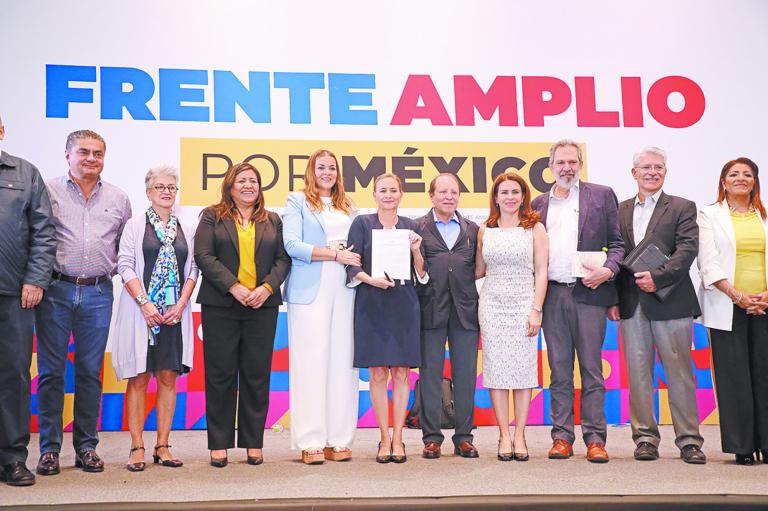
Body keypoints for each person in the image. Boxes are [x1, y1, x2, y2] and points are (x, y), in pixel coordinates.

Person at [36, 130, 132, 475]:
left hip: (98, 293)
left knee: (91, 373)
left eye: (98, 153)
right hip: (55, 291)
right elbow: (36, 237)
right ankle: (48, 450)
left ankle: (86, 447)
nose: (91, 158)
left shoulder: (119, 198)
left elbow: (125, 247)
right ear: (67, 155)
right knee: (50, 373)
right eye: (84, 152)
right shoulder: (47, 191)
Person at [609, 147, 706, 464]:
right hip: (632, 304)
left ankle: (690, 441)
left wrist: (659, 278)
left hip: (672, 302)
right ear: (634, 173)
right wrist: (612, 299)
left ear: (665, 171)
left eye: (659, 167)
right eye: (646, 167)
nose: (653, 172)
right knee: (638, 375)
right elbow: (613, 253)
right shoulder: (619, 210)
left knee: (679, 374)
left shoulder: (682, 207)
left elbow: (687, 249)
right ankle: (645, 438)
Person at [531, 139, 624, 463]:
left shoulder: (601, 195)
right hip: (552, 293)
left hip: (591, 293)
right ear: (551, 166)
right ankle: (561, 437)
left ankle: (596, 439)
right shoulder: (538, 204)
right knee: (558, 371)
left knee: (592, 370)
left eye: (572, 162)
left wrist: (608, 271)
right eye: (561, 163)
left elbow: (617, 243)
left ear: (580, 164)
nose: (566, 168)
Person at [194, 162, 290, 467]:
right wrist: (234, 287)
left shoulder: (273, 220)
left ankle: (253, 442)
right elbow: (204, 256)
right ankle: (218, 444)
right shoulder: (212, 215)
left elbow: (283, 258)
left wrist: (266, 288)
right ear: (230, 185)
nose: (248, 185)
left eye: (254, 181)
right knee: (220, 374)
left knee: (256, 375)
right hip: (221, 304)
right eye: (242, 180)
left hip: (263, 305)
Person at [112, 165, 199, 471]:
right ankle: (137, 446)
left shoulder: (187, 230)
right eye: (160, 187)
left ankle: (163, 445)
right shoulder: (135, 226)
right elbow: (124, 265)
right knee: (138, 378)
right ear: (148, 192)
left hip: (174, 316)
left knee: (167, 377)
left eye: (171, 187)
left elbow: (193, 270)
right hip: (142, 314)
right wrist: (144, 303)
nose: (166, 191)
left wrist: (182, 304)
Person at [282, 149, 362, 464]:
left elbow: (360, 244)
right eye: (321, 167)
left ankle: (339, 439)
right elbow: (292, 245)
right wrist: (334, 254)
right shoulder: (297, 201)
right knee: (310, 361)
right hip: (309, 290)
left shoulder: (348, 205)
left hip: (346, 288)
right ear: (311, 171)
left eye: (331, 167)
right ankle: (310, 440)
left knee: (344, 361)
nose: (326, 172)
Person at [347, 174, 423, 463]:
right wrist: (371, 280)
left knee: (402, 373)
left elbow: (422, 273)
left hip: (404, 304)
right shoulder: (361, 224)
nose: (388, 194)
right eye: (383, 190)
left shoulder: (412, 227)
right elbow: (352, 267)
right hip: (371, 301)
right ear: (374, 194)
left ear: (401, 194)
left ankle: (399, 438)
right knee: (378, 372)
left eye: (394, 190)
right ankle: (383, 438)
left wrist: (416, 249)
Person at [697, 157, 768, 465]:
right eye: (734, 174)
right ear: (724, 182)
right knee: (733, 377)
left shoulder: (764, 217)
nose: (741, 178)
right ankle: (742, 446)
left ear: (754, 182)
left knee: (765, 377)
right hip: (728, 305)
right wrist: (738, 296)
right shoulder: (708, 214)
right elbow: (707, 263)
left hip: (765, 306)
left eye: (747, 174)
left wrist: (764, 296)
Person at [0, 115, 57, 486]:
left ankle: (12, 458)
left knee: (14, 377)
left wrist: (36, 279)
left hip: (13, 295)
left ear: (2, 130)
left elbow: (43, 232)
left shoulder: (25, 173)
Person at [476, 172, 548, 462]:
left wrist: (536, 310)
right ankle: (503, 434)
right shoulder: (485, 229)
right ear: (495, 197)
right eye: (503, 192)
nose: (509, 197)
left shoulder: (536, 229)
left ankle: (520, 434)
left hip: (524, 306)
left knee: (522, 373)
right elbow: (478, 270)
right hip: (491, 306)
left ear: (523, 196)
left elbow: (541, 271)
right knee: (496, 374)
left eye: (515, 192)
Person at [414, 173, 481, 459]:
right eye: (442, 192)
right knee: (430, 376)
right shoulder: (417, 228)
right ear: (431, 196)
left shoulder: (473, 229)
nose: (449, 197)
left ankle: (464, 437)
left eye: (453, 192)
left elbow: (479, 269)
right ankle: (432, 438)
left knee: (465, 376)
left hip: (466, 311)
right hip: (430, 309)